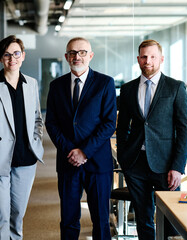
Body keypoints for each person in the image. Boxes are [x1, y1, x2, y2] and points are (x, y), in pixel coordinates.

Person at [116, 39, 187, 240]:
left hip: (166, 165)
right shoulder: (128, 89)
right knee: (143, 218)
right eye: (143, 57)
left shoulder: (175, 87)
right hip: (135, 163)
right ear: (138, 59)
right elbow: (122, 127)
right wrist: (123, 157)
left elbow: (184, 129)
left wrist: (178, 166)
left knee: (171, 219)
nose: (147, 61)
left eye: (152, 57)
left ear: (161, 59)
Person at [45, 37, 117, 240]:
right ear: (66, 57)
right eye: (72, 53)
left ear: (90, 56)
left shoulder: (105, 83)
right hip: (68, 162)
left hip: (97, 162)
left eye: (82, 52)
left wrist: (84, 151)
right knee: (68, 220)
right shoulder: (56, 86)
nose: (77, 56)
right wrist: (71, 151)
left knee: (101, 220)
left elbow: (109, 123)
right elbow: (51, 123)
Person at [0, 35, 44, 240]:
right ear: (0, 58)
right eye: (7, 55)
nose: (12, 59)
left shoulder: (31, 83)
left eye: (16, 53)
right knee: (1, 215)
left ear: (23, 56)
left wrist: (36, 143)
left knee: (17, 215)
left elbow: (37, 119)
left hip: (26, 158)